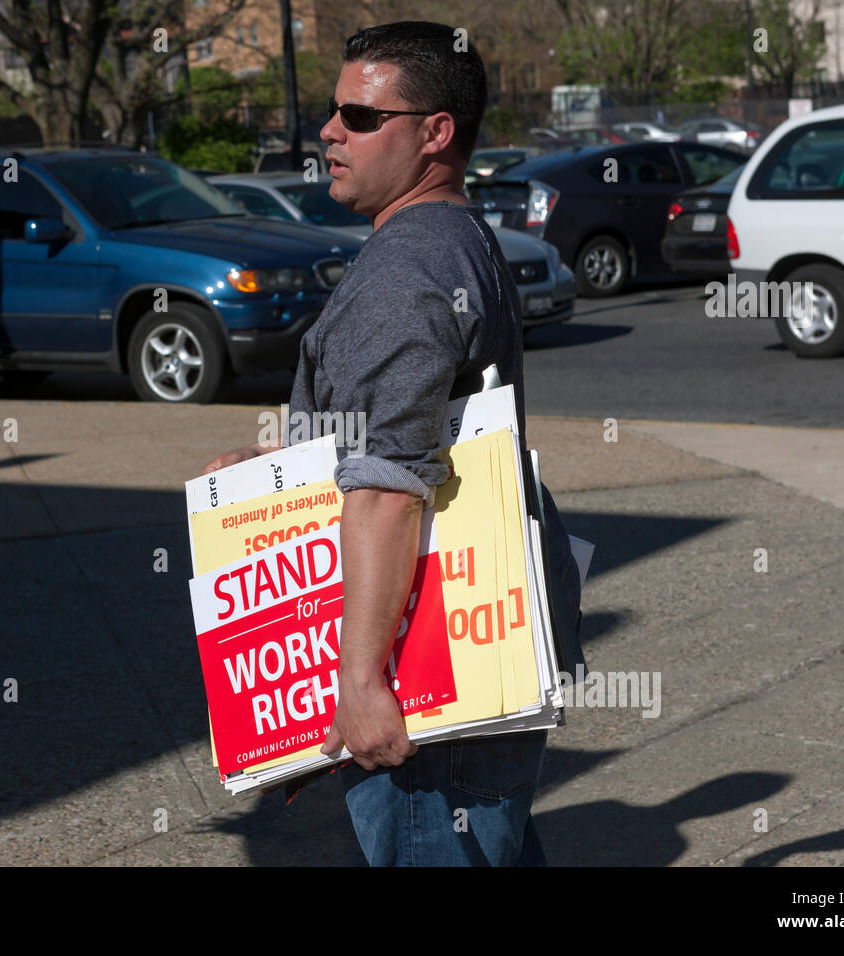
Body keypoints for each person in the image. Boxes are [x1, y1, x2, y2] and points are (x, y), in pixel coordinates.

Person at [203, 21, 582, 866]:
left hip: (425, 669)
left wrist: (362, 679)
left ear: (434, 132)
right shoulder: (455, 236)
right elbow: (399, 433)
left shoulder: (407, 268)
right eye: (333, 112)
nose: (329, 132)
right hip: (471, 644)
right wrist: (281, 472)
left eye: (359, 116)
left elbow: (386, 484)